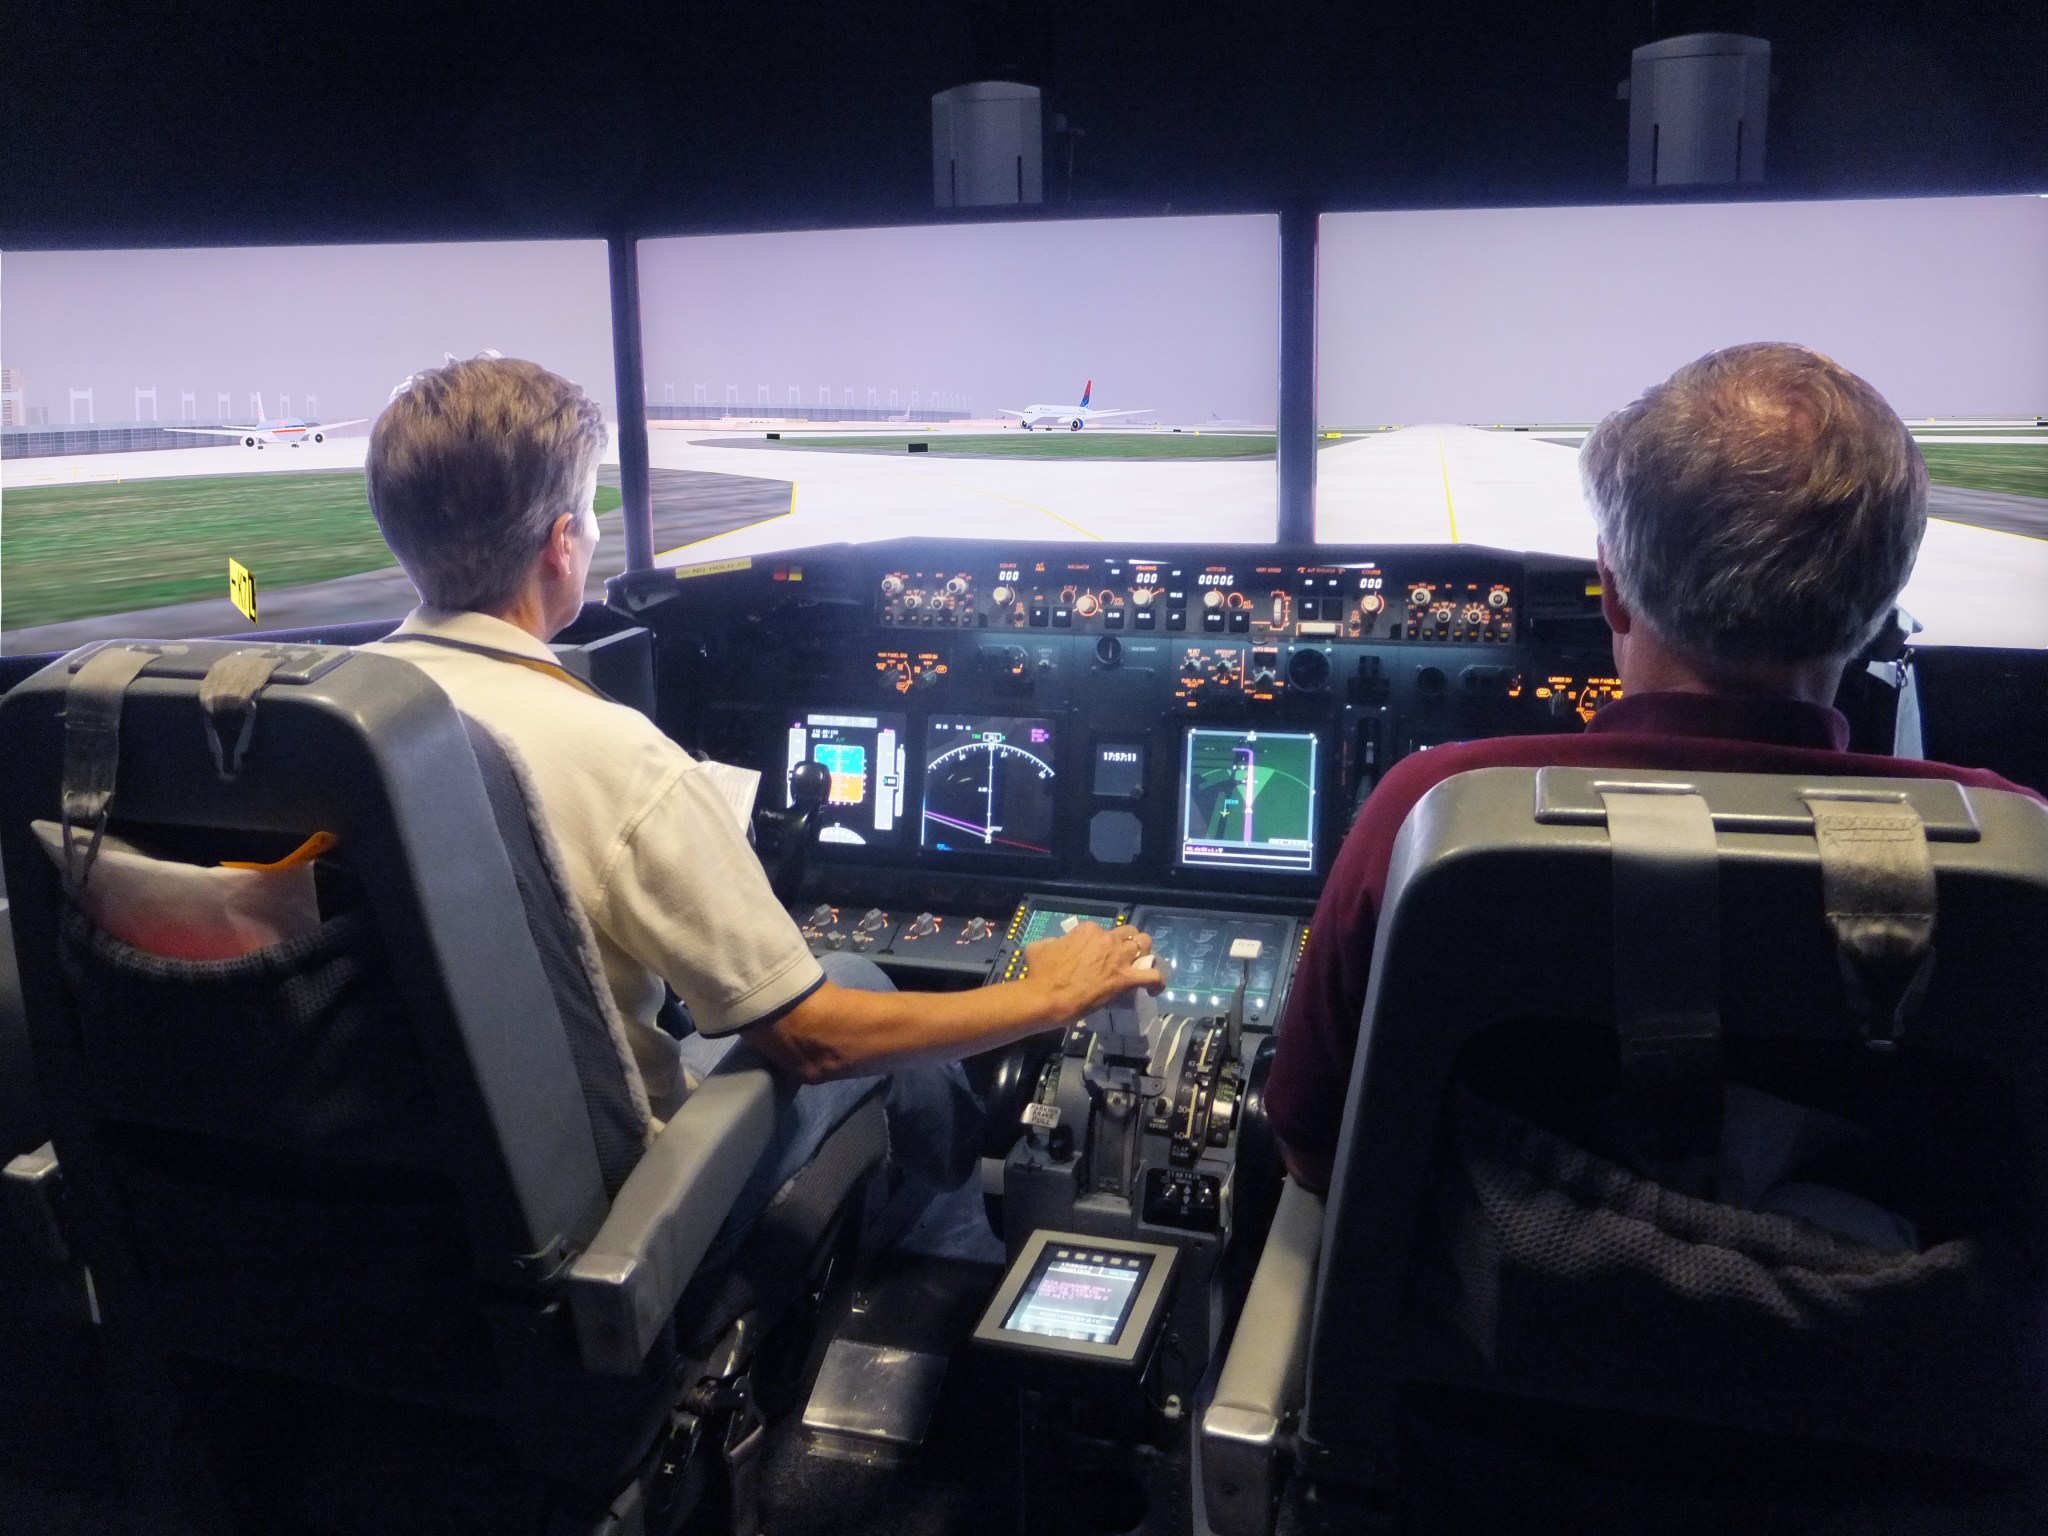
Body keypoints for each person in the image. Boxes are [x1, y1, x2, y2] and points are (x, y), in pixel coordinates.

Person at [363, 356, 1159, 1229]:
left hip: (418, 1201)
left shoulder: (337, 721)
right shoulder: (608, 753)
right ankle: (949, 1266)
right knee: (857, 990)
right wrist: (1048, 995)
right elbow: (814, 1041)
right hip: (618, 1210)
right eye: (591, 512)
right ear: (561, 543)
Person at [1267, 342, 2043, 1197]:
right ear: (1881, 605)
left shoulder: (1431, 811)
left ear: (1612, 586)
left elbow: (1311, 1148)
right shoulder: (2011, 841)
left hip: (1501, 1325)